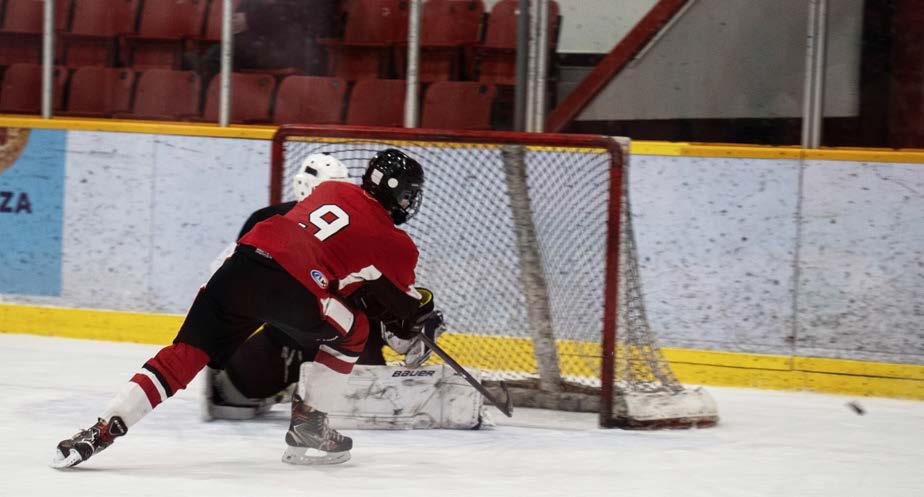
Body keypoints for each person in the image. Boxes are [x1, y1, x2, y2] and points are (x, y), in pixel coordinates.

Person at [52, 148, 441, 468]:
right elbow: (406, 312)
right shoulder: (398, 244)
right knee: (356, 332)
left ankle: (101, 430)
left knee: (185, 354)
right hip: (295, 287)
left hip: (243, 263)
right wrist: (420, 319)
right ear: (400, 194)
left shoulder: (332, 190)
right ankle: (310, 423)